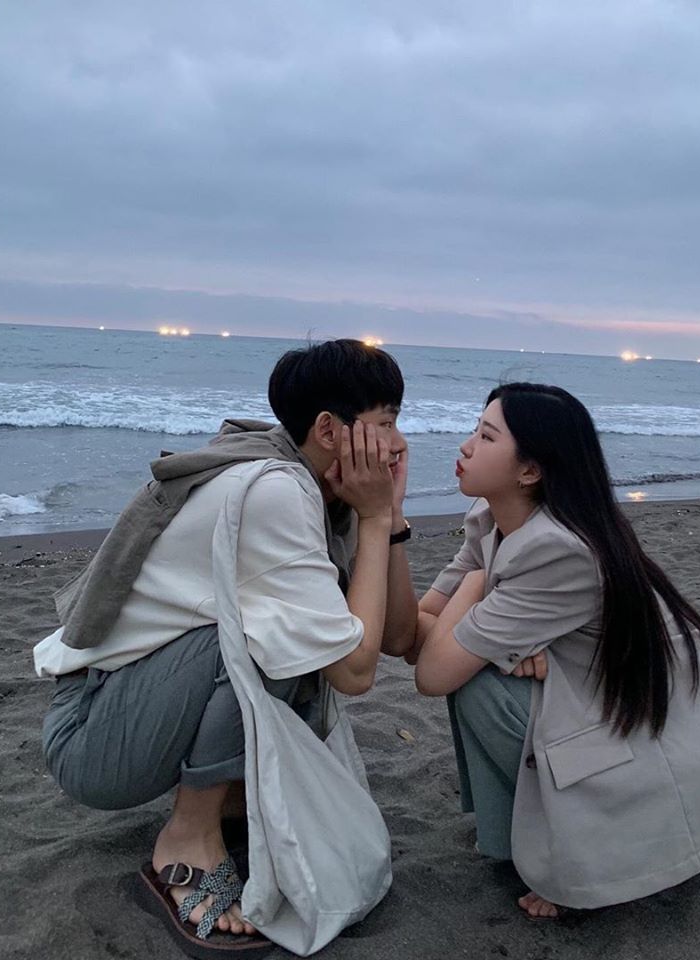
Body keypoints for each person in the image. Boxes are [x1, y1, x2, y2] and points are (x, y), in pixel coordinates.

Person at [33, 339, 417, 957]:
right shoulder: (274, 491)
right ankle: (187, 836)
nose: (398, 443)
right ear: (328, 429)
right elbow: (354, 671)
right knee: (268, 637)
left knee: (296, 633)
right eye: (387, 423)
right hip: (94, 739)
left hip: (138, 705)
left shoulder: (317, 489)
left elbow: (395, 638)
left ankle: (228, 802)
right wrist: (371, 520)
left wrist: (389, 518)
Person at [410, 382, 700, 919]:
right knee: (479, 666)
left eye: (486, 436)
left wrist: (476, 590)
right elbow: (418, 629)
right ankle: (532, 840)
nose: (466, 446)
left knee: (477, 684)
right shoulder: (494, 519)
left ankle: (596, 858)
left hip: (667, 743)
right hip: (615, 702)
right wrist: (385, 521)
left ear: (530, 471)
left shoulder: (557, 547)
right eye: (475, 430)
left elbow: (431, 672)